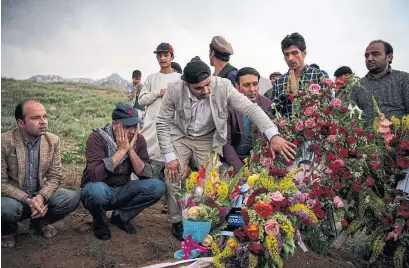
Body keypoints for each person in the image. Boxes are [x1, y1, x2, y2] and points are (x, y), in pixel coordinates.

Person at [156, 60, 297, 240]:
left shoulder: (224, 86)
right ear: (187, 85)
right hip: (180, 135)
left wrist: (273, 135)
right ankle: (177, 220)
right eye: (199, 88)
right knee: (172, 176)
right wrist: (170, 157)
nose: (206, 90)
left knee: (212, 181)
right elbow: (162, 123)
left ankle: (207, 218)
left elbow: (250, 109)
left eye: (208, 85)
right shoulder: (174, 89)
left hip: (207, 137)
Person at [1, 100, 80, 248]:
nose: (43, 122)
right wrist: (27, 199)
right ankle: (7, 230)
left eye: (45, 116)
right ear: (21, 123)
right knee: (4, 208)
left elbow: (55, 176)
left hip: (39, 194)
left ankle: (40, 222)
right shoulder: (3, 141)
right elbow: (1, 183)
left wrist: (41, 196)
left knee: (72, 197)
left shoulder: (52, 140)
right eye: (36, 118)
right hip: (14, 198)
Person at [80, 104, 166, 240]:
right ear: (115, 125)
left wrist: (130, 151)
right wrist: (121, 151)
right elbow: (95, 175)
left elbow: (146, 174)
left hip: (123, 190)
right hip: (99, 190)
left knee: (158, 186)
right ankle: (100, 222)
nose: (132, 131)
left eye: (135, 126)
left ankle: (121, 216)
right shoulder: (97, 138)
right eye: (127, 127)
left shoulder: (138, 140)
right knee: (96, 190)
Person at [138, 43, 181, 178]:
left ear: (172, 57)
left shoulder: (180, 79)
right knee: (149, 167)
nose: (162, 58)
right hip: (151, 128)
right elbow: (141, 100)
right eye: (159, 55)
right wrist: (158, 92)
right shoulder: (152, 78)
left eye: (165, 55)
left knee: (172, 172)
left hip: (172, 128)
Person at [264, 33, 330, 117]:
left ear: (304, 53)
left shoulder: (319, 75)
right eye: (286, 54)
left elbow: (329, 105)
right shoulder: (280, 80)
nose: (290, 58)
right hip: (286, 129)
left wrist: (300, 94)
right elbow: (271, 111)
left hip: (315, 129)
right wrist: (285, 94)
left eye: (295, 53)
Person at [223, 67, 273, 173]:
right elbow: (226, 143)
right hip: (231, 160)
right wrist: (240, 170)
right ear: (237, 87)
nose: (252, 89)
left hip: (257, 160)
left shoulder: (267, 104)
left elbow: (268, 139)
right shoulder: (227, 106)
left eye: (255, 84)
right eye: (247, 85)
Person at [358, 40, 409, 120]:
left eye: (375, 54)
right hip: (366, 132)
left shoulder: (404, 79)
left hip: (399, 131)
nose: (369, 58)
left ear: (389, 57)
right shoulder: (358, 85)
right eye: (366, 56)